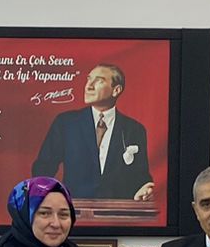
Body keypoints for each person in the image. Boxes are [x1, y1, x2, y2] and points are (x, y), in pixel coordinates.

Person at [30, 63, 155, 201]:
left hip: (118, 211)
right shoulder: (66, 123)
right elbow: (43, 167)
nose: (88, 86)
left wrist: (145, 189)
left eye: (99, 81)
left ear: (116, 90)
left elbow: (141, 176)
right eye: (89, 79)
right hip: (74, 209)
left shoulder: (134, 129)